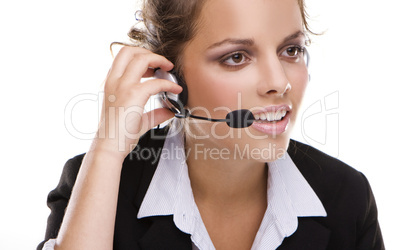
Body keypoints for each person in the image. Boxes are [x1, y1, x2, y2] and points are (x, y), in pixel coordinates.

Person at [37, 0, 384, 249]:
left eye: (291, 50)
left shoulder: (346, 197)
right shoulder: (99, 183)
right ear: (169, 76)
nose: (279, 82)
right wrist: (108, 149)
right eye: (236, 57)